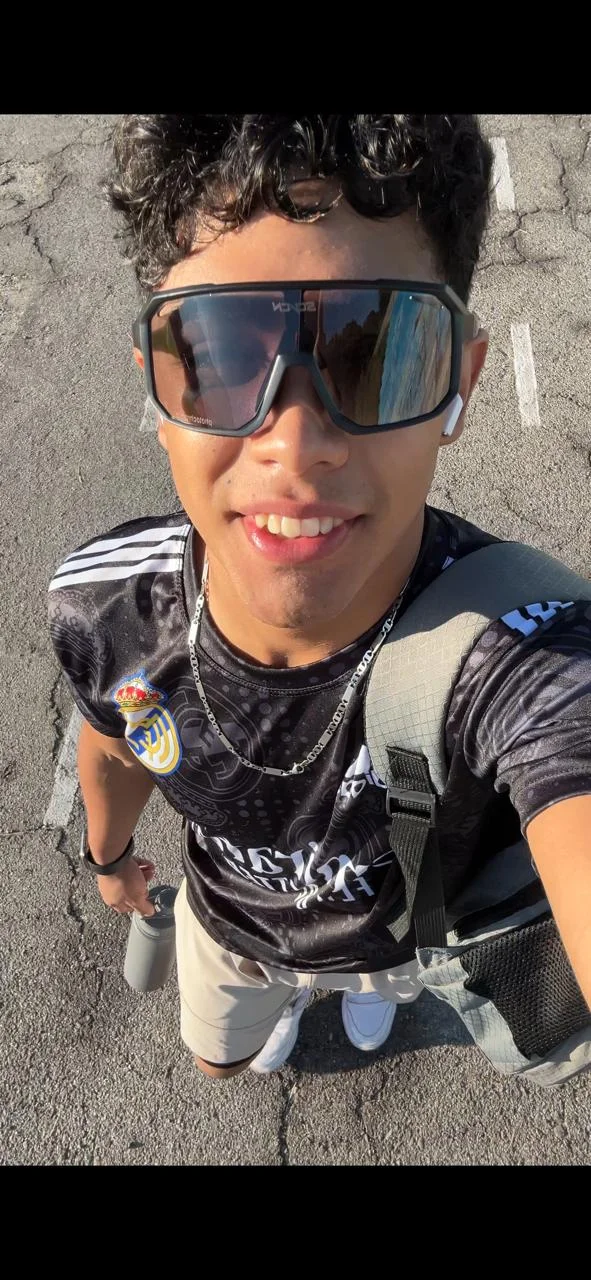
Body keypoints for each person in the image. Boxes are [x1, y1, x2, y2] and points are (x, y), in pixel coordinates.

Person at [48, 115, 591, 1080]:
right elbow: (113, 741)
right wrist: (109, 856)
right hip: (231, 926)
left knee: (340, 1007)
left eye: (373, 351)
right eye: (221, 354)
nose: (294, 447)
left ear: (460, 384)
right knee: (219, 1064)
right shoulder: (107, 608)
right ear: (160, 389)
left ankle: (346, 992)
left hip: (397, 944)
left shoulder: (520, 656)